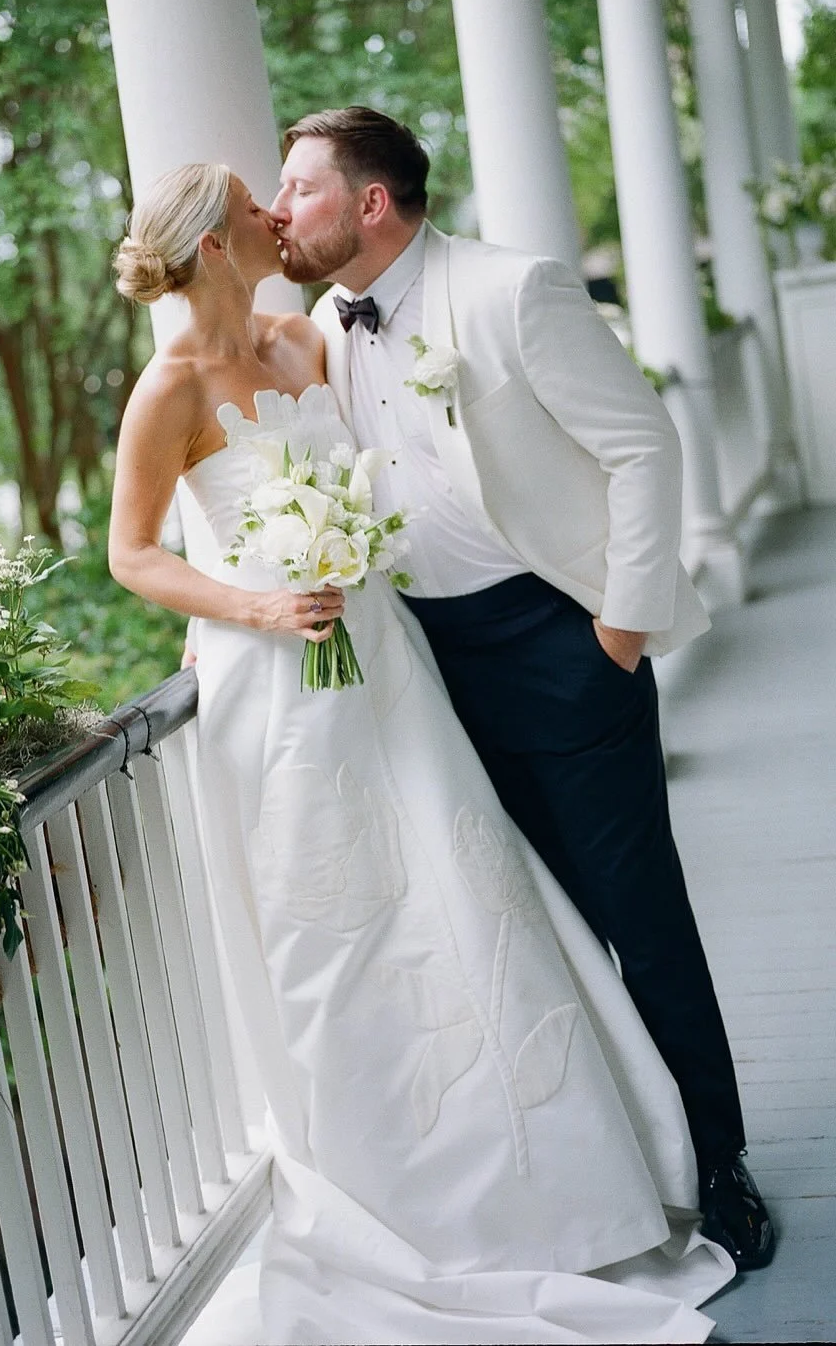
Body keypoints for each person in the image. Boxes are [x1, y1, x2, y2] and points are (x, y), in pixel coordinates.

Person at [108, 160, 736, 1345]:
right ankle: (408, 1195)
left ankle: (616, 1177)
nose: (276, 213)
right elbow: (132, 554)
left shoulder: (310, 341)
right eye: (258, 205)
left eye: (285, 192)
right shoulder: (168, 387)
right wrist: (245, 612)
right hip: (283, 682)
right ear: (214, 244)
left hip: (395, 661)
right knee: (339, 942)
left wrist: (600, 607)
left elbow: (413, 454)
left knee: (471, 896)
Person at [270, 105, 773, 1274]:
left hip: (558, 646)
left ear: (371, 203)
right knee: (517, 938)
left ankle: (720, 1164)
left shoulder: (512, 289)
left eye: (299, 188)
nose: (281, 209)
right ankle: (613, 1177)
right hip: (423, 675)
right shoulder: (319, 330)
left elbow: (642, 446)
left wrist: (620, 632)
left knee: (639, 925)